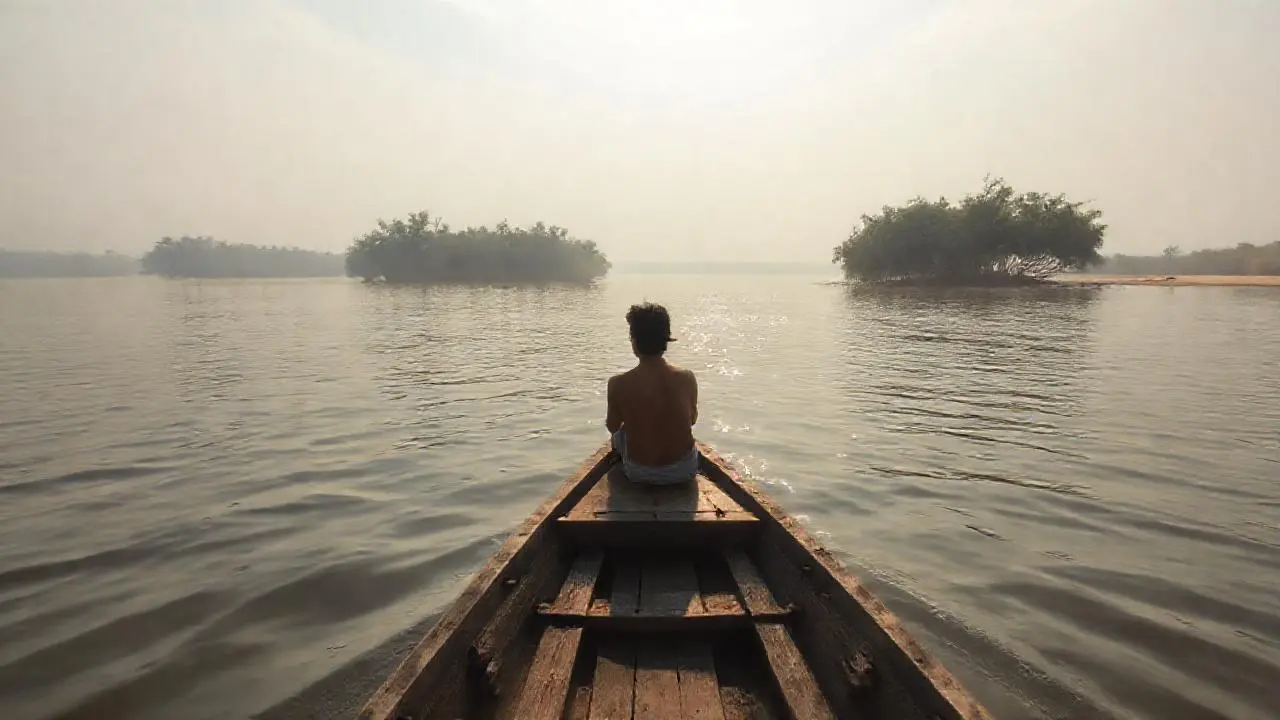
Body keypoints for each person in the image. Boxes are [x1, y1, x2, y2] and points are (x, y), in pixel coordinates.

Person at [605, 302, 700, 484]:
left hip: (638, 472)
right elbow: (692, 420)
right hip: (683, 470)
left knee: (619, 436)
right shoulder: (687, 378)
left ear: (634, 340)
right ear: (665, 339)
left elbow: (613, 426)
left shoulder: (618, 383)